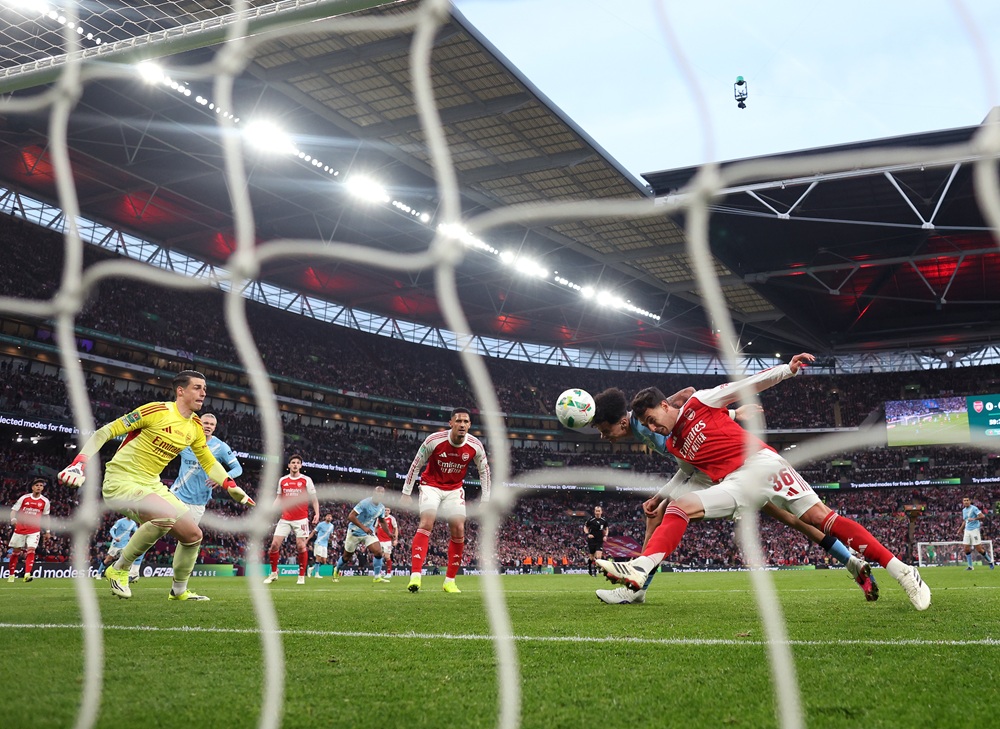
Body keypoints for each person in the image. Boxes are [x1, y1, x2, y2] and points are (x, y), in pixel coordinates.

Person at [598, 355, 931, 611]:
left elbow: (748, 385)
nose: (653, 429)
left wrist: (787, 369)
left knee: (820, 519)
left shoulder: (701, 401)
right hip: (733, 481)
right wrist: (662, 496)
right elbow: (686, 472)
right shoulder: (672, 444)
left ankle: (902, 571)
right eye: (648, 425)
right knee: (679, 506)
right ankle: (639, 569)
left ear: (665, 406)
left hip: (762, 463)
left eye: (653, 421)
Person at [56, 370, 255, 601]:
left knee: (193, 535)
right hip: (121, 479)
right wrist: (78, 463)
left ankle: (178, 591)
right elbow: (107, 431)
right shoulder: (157, 411)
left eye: (205, 389)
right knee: (164, 515)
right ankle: (119, 568)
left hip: (151, 483)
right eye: (197, 387)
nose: (203, 392)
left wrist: (229, 484)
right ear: (180, 391)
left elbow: (209, 462)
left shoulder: (195, 427)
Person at [401, 407, 491, 594]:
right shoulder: (434, 440)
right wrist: (406, 492)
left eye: (466, 422)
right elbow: (416, 464)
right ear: (450, 423)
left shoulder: (475, 446)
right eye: (458, 421)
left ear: (470, 425)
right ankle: (415, 575)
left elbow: (485, 472)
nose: (462, 425)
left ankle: (450, 581)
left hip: (454, 488)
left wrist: (486, 499)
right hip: (430, 485)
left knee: (459, 528)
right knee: (427, 521)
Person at [169, 413, 243, 526]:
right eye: (206, 423)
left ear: (215, 428)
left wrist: (222, 479)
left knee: (187, 539)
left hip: (198, 502)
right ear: (199, 423)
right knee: (159, 528)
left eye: (212, 424)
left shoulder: (220, 447)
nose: (208, 426)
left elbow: (238, 469)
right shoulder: (186, 440)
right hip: (176, 494)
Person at [263, 454, 319, 586]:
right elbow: (279, 498)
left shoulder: (306, 480)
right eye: (293, 462)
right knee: (274, 545)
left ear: (301, 465)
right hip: (285, 518)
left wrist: (317, 513)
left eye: (298, 463)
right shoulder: (283, 480)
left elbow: (314, 498)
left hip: (301, 519)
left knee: (301, 546)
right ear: (289, 465)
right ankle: (273, 573)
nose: (295, 464)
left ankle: (301, 576)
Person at [334, 486, 389, 583]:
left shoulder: (381, 507)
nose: (379, 495)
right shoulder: (365, 503)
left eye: (382, 493)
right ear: (374, 493)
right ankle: (336, 569)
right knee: (347, 556)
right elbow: (350, 516)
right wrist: (363, 527)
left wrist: (389, 533)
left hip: (368, 533)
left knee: (378, 552)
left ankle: (377, 576)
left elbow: (382, 521)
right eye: (378, 493)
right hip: (354, 532)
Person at [6, 478, 50, 583]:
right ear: (32, 487)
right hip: (20, 529)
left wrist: (47, 531)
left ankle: (27, 574)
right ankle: (11, 575)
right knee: (16, 552)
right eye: (37, 485)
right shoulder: (24, 498)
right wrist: (13, 519)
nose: (39, 487)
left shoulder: (45, 501)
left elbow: (46, 516)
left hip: (34, 530)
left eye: (41, 485)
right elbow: (13, 511)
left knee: (31, 550)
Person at [961, 497, 995, 570]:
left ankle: (990, 561)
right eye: (964, 501)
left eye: (967, 500)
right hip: (967, 530)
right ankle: (970, 566)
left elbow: (982, 516)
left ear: (970, 501)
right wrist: (960, 529)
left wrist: (974, 519)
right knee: (966, 549)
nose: (966, 502)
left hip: (974, 530)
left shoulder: (974, 508)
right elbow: (965, 521)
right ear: (963, 502)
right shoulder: (963, 510)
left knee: (979, 549)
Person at [375, 506, 399, 581]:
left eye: (387, 510)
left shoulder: (391, 518)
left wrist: (395, 539)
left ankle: (388, 573)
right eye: (385, 510)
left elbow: (395, 529)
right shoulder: (379, 518)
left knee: (387, 556)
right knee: (379, 556)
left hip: (387, 540)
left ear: (390, 511)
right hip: (379, 540)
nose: (386, 511)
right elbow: (376, 527)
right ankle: (378, 573)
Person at [583, 506, 609, 576]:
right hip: (592, 540)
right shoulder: (591, 520)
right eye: (596, 511)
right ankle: (589, 568)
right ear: (594, 512)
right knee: (591, 557)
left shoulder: (604, 521)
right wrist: (588, 534)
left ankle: (595, 571)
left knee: (598, 557)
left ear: (601, 512)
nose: (597, 512)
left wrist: (605, 535)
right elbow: (585, 527)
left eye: (599, 511)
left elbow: (606, 528)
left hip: (599, 540)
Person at [309, 513, 335, 579]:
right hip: (319, 542)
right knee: (318, 558)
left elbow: (330, 535)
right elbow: (313, 532)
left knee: (324, 561)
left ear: (331, 518)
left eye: (330, 516)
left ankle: (311, 568)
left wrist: (332, 537)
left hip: (325, 544)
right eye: (328, 516)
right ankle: (316, 574)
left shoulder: (332, 526)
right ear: (325, 517)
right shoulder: (320, 524)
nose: (329, 517)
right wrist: (307, 540)